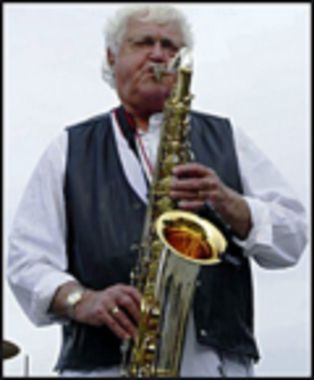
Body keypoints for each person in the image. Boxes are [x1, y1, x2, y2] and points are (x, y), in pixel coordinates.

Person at [7, 4, 308, 378]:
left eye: (170, 46)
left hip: (213, 367)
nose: (159, 54)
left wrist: (230, 202)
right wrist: (80, 300)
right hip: (107, 368)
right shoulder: (68, 148)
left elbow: (294, 235)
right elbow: (26, 261)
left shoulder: (227, 136)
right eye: (143, 43)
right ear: (112, 57)